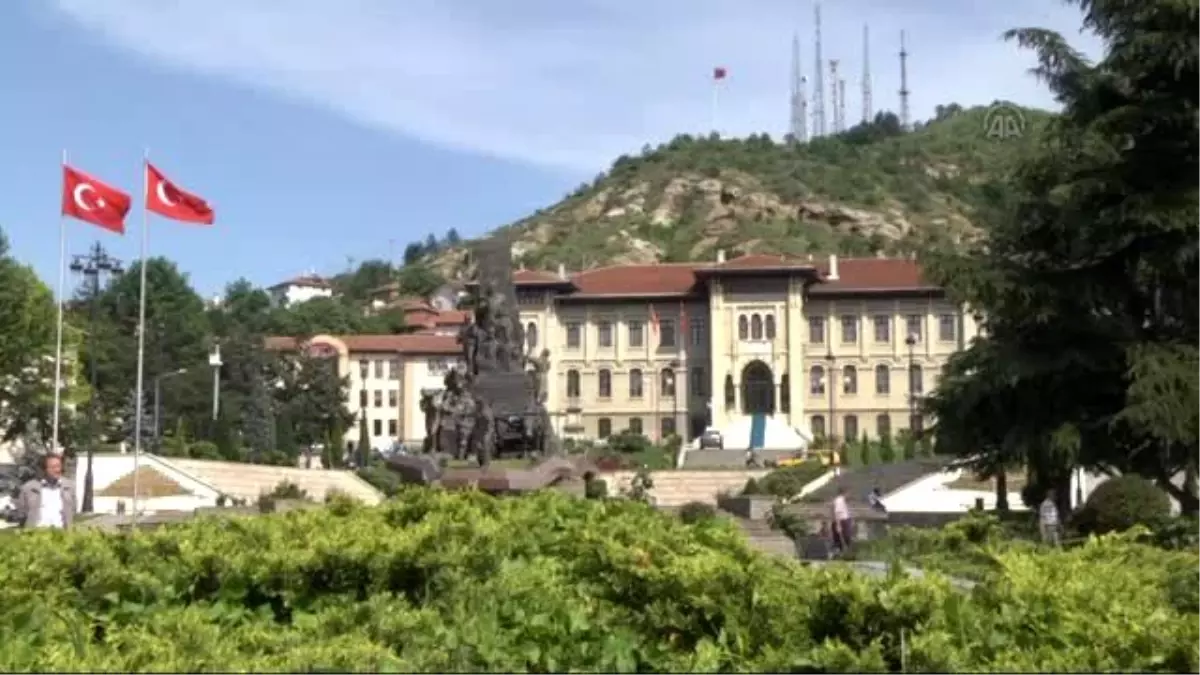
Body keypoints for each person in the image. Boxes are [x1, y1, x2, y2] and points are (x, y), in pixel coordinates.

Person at [11, 454, 76, 529]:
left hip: (61, 534)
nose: (57, 470)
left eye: (59, 466)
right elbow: (22, 514)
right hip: (36, 535)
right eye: (53, 467)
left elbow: (72, 510)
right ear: (44, 469)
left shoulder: (68, 487)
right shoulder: (29, 488)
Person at [830, 486, 853, 554]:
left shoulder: (842, 500)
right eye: (848, 493)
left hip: (843, 521)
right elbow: (837, 513)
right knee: (844, 539)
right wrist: (838, 525)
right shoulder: (839, 500)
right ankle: (842, 553)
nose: (849, 495)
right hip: (842, 522)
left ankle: (843, 552)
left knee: (845, 540)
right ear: (845, 493)